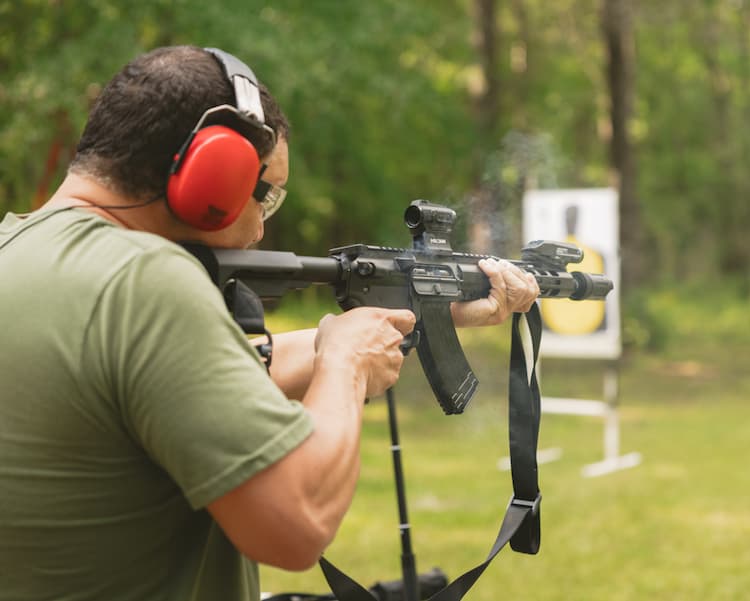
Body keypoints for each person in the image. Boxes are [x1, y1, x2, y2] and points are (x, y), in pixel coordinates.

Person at [0, 46, 539, 601]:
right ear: (210, 174)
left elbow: (190, 378)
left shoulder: (20, 252)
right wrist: (347, 366)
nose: (259, 227)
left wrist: (426, 315)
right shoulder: (148, 281)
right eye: (265, 195)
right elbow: (295, 523)